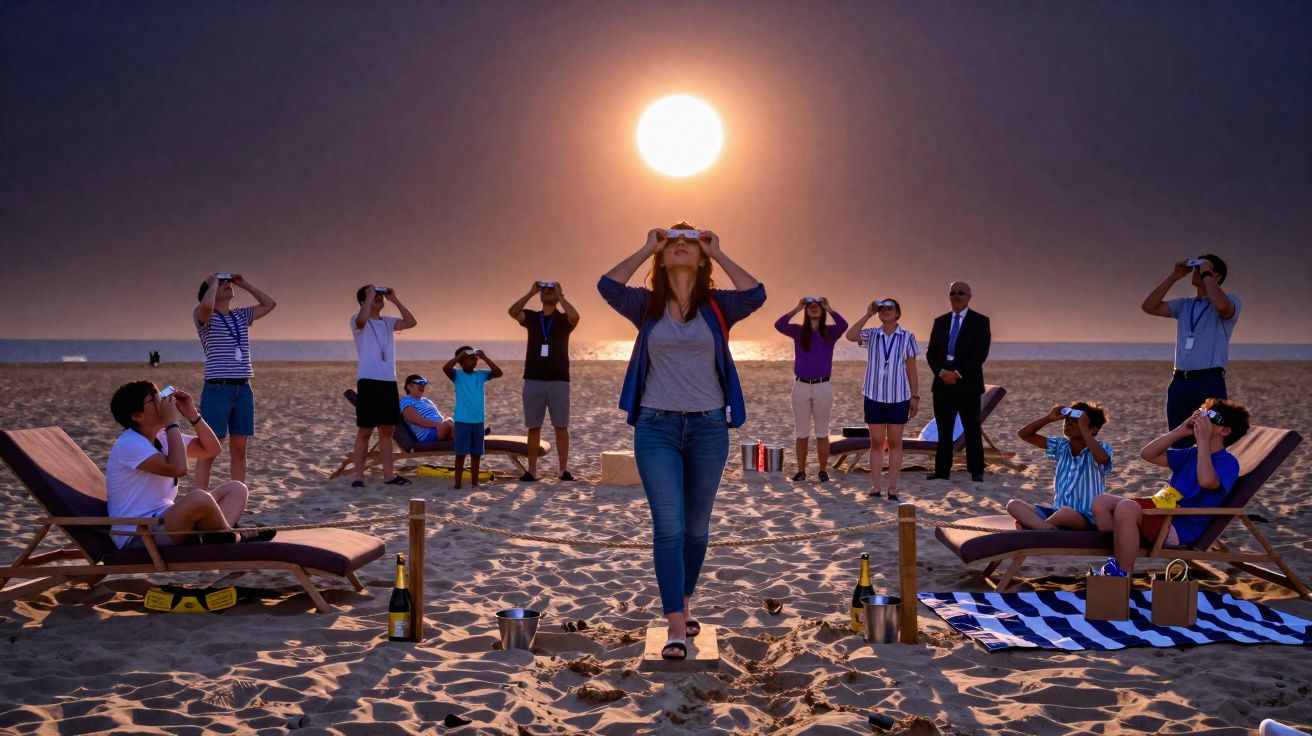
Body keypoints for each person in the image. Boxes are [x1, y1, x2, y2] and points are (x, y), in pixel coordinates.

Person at [598, 222, 766, 661]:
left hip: (710, 427)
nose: (680, 245)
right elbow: (607, 285)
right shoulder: (646, 304)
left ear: (701, 255)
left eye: (689, 241)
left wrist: (719, 249)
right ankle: (676, 624)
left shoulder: (718, 306)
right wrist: (644, 245)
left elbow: (756, 294)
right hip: (656, 427)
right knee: (669, 526)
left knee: (696, 529)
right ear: (661, 253)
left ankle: (686, 602)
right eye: (673, 240)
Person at [106, 381, 272, 548]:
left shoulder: (161, 436)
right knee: (199, 497)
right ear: (137, 416)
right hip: (140, 534)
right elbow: (178, 469)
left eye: (161, 394)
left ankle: (221, 535)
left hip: (168, 520)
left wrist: (193, 415)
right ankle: (233, 536)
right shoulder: (129, 444)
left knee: (237, 489)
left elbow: (211, 449)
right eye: (155, 399)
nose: (164, 400)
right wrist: (172, 422)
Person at [1090, 398, 1249, 572]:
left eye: (1212, 417)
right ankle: (1119, 557)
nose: (1203, 419)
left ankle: (1123, 573)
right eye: (1203, 413)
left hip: (1178, 526)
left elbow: (1207, 481)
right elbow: (1147, 454)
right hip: (1162, 511)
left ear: (1224, 431)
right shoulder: (1192, 454)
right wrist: (1180, 431)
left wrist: (1203, 441)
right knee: (1101, 502)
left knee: (1127, 508)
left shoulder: (1228, 462)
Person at [1140, 254, 1240, 445]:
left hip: (1209, 380)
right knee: (1179, 440)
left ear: (1216, 276)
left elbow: (1221, 305)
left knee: (1213, 439)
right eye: (1196, 269)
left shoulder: (1231, 301)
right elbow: (1149, 306)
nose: (1197, 273)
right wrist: (1174, 276)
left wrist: (1207, 274)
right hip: (1179, 381)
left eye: (1201, 269)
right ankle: (1185, 474)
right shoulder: (1186, 304)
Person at [193, 272, 277, 491]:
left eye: (228, 283)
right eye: (223, 284)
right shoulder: (204, 315)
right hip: (218, 388)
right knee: (210, 448)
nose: (228, 285)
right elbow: (205, 307)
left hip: (243, 388)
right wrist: (212, 282)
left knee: (240, 449)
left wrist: (244, 284)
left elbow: (269, 304)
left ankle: (237, 496)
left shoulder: (240, 316)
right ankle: (200, 495)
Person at [846, 298, 920, 500]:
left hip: (898, 396)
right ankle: (876, 487)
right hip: (874, 395)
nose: (885, 310)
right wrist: (867, 314)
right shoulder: (872, 335)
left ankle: (893, 488)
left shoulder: (907, 337)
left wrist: (914, 396)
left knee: (895, 443)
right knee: (877, 443)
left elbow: (911, 370)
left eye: (890, 307)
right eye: (882, 308)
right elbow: (850, 335)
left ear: (898, 313)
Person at [507, 280, 579, 482]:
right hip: (533, 379)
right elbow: (512, 312)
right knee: (533, 427)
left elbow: (575, 317)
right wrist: (531, 292)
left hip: (559, 380)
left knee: (561, 426)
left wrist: (561, 296)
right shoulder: (532, 317)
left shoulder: (564, 320)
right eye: (544, 290)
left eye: (551, 290)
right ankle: (532, 470)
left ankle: (563, 470)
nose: (546, 292)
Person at [349, 285, 417, 488]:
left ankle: (389, 475)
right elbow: (361, 320)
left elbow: (412, 322)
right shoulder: (357, 319)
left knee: (387, 431)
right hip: (368, 381)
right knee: (365, 431)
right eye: (373, 295)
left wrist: (394, 299)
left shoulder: (388, 323)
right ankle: (358, 477)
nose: (378, 298)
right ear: (364, 301)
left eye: (380, 296)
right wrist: (369, 296)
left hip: (389, 381)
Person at [1007, 402, 1112, 530]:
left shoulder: (1101, 449)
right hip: (1056, 512)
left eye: (1076, 421)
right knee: (1013, 504)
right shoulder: (1061, 446)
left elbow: (1103, 459)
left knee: (1064, 513)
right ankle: (1048, 528)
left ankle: (1038, 527)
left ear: (1093, 429)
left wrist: (1084, 428)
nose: (1070, 423)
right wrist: (1048, 418)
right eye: (1068, 419)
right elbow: (1024, 434)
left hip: (1085, 518)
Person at [925, 281, 991, 483]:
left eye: (961, 293)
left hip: (968, 384)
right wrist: (941, 372)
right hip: (942, 384)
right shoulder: (940, 321)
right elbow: (931, 353)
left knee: (971, 429)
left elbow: (980, 353)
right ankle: (942, 471)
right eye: (952, 293)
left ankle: (976, 470)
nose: (956, 296)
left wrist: (958, 373)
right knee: (944, 431)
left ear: (969, 296)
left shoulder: (980, 321)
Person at [774, 297, 847, 482]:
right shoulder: (798, 332)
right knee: (802, 433)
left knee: (822, 432)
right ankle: (801, 471)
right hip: (801, 386)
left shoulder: (829, 333)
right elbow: (779, 324)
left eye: (817, 305)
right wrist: (798, 307)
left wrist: (829, 307)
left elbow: (843, 325)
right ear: (806, 311)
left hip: (823, 386)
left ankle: (822, 470)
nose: (814, 308)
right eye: (810, 306)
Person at [442, 346, 504, 489]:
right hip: (462, 421)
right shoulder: (457, 375)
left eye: (474, 358)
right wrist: (459, 356)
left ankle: (474, 482)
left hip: (478, 421)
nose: (472, 360)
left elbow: (499, 373)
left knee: (476, 454)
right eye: (468, 358)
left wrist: (485, 357)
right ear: (461, 362)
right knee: (461, 453)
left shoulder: (481, 375)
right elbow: (445, 368)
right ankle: (458, 483)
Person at [399, 374, 454, 443]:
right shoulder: (406, 401)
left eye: (424, 383)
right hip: (428, 434)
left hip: (440, 429)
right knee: (449, 423)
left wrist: (448, 420)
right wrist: (441, 424)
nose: (422, 385)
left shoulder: (426, 400)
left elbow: (440, 414)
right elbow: (419, 421)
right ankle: (463, 448)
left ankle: (464, 445)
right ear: (409, 386)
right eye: (419, 382)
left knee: (458, 423)